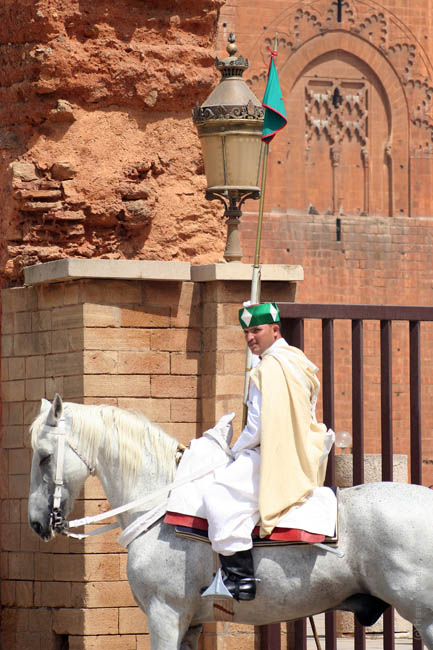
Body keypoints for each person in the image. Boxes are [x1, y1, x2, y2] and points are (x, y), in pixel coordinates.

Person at [202, 302, 333, 602]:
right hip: (304, 454)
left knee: (217, 496)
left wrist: (233, 451)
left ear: (275, 330)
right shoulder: (297, 360)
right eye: (246, 332)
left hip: (273, 455)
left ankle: (239, 580)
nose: (250, 338)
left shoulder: (268, 369)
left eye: (256, 330)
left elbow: (258, 428)